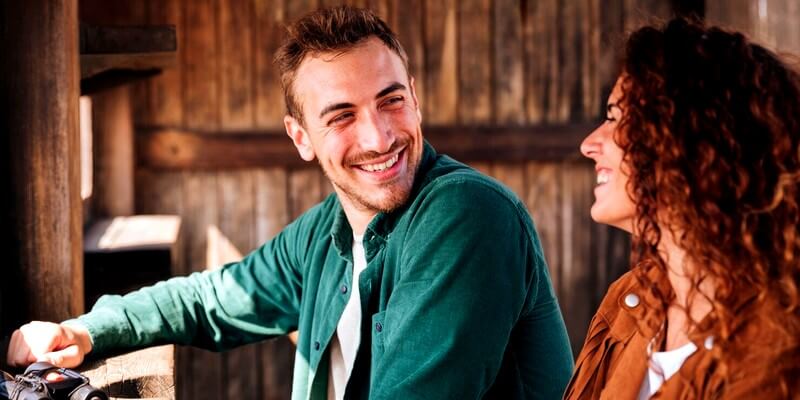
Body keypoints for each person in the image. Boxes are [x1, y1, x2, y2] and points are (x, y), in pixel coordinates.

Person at [6, 6, 574, 399]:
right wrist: (85, 330)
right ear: (300, 137)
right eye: (342, 115)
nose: (379, 138)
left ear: (416, 101)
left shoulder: (465, 216)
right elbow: (211, 299)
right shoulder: (327, 232)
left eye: (391, 101)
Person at [565, 18, 800, 399]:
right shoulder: (629, 300)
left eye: (614, 118)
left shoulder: (776, 344)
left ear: (694, 142)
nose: (588, 144)